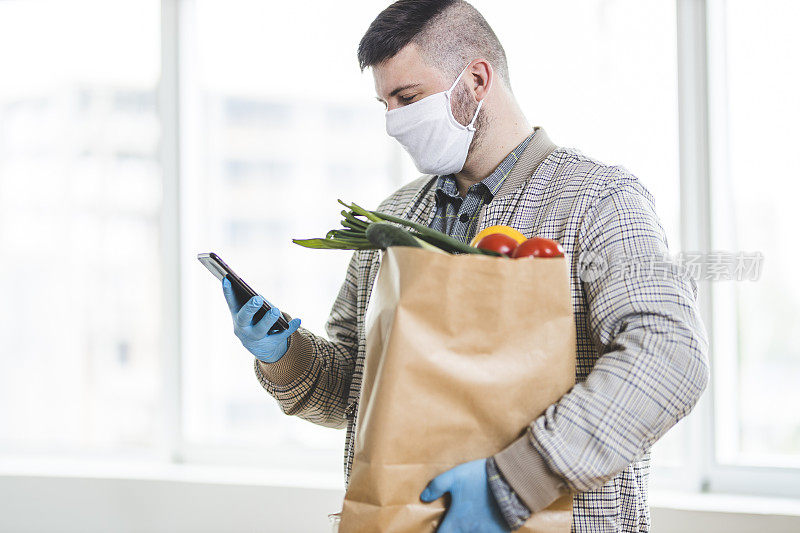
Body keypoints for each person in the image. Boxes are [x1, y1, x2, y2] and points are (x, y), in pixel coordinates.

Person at [221, 1, 710, 531]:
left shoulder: (597, 202)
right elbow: (353, 390)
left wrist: (518, 479)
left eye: (407, 98)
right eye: (385, 104)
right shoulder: (394, 218)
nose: (393, 122)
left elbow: (671, 356)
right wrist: (286, 355)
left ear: (476, 80)